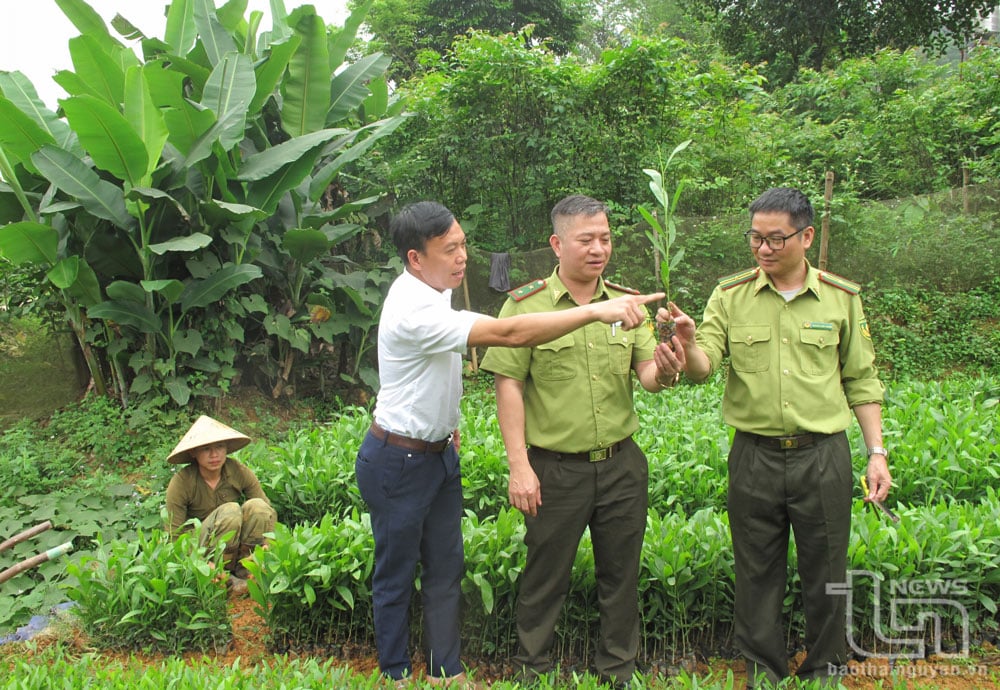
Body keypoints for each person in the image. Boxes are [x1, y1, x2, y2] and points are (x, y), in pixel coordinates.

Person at [355, 200, 664, 688]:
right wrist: (594, 313)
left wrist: (442, 421)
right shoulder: (413, 307)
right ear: (416, 258)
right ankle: (394, 674)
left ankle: (445, 673)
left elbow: (421, 374)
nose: (463, 257)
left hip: (437, 452)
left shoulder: (435, 291)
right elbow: (510, 334)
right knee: (395, 575)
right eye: (450, 249)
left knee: (444, 570)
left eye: (463, 245)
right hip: (398, 458)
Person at [657, 187, 891, 688]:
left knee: (827, 572)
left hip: (823, 455)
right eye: (756, 238)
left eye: (776, 238)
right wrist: (689, 343)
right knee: (756, 572)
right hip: (755, 456)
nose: (763, 249)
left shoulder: (841, 298)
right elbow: (703, 368)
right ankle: (763, 671)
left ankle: (825, 668)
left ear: (806, 236)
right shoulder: (730, 295)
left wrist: (876, 453)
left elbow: (862, 381)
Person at [478, 194, 686, 688]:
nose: (599, 249)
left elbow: (648, 375)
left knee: (621, 576)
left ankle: (617, 671)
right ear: (557, 243)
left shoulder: (626, 304)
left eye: (606, 238)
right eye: (586, 239)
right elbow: (508, 386)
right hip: (554, 469)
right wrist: (519, 466)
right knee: (545, 576)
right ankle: (533, 670)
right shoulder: (525, 305)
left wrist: (670, 367)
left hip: (620, 465)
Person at [165, 415, 276, 591]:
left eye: (219, 447)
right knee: (231, 511)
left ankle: (246, 569)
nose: (214, 454)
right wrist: (200, 562)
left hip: (235, 541)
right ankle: (220, 573)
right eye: (206, 449)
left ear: (226, 449)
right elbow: (175, 536)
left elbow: (268, 512)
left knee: (258, 507)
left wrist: (266, 547)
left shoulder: (237, 471)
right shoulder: (182, 482)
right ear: (194, 452)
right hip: (203, 547)